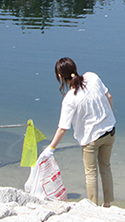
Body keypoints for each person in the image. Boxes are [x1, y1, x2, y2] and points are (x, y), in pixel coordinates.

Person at [40, 57, 116, 207]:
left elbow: (63, 128)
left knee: (91, 172)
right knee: (105, 167)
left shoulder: (70, 98)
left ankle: (93, 207)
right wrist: (107, 118)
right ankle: (107, 204)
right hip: (110, 131)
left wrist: (51, 147)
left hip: (91, 139)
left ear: (60, 77)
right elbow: (109, 96)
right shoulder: (92, 77)